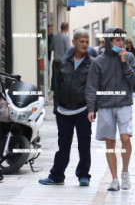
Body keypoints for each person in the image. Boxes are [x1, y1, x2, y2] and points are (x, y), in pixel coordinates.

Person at [39, 28, 94, 186]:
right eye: (81, 41)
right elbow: (56, 87)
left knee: (84, 144)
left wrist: (92, 109)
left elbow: (94, 88)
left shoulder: (92, 64)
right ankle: (57, 176)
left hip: (83, 110)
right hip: (63, 110)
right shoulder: (62, 62)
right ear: (74, 42)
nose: (84, 45)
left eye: (86, 42)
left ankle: (83, 175)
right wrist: (56, 108)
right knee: (63, 145)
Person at [86, 27, 135, 191]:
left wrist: (124, 64)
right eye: (116, 40)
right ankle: (114, 179)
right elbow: (91, 87)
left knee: (125, 138)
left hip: (124, 103)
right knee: (110, 142)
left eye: (122, 39)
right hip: (106, 106)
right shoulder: (98, 61)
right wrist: (91, 108)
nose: (120, 43)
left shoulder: (129, 57)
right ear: (109, 42)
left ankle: (125, 173)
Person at [50, 22, 70, 91]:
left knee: (55, 82)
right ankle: (61, 99)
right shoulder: (66, 38)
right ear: (67, 28)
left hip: (55, 62)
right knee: (63, 81)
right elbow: (68, 51)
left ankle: (56, 98)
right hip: (63, 62)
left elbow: (51, 48)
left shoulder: (54, 37)